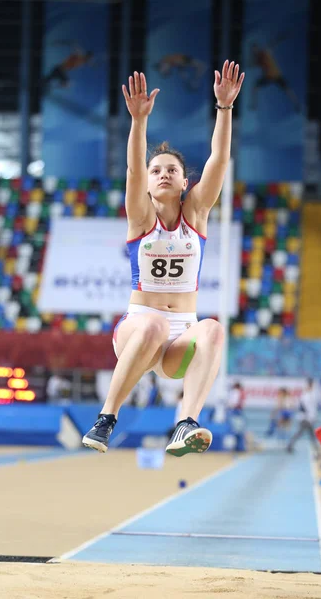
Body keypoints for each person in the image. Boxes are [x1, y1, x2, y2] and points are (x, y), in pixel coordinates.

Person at [82, 61, 245, 456]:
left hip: (179, 339)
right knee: (153, 322)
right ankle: (106, 419)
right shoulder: (141, 217)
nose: (163, 174)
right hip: (138, 329)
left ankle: (185, 423)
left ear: (186, 181)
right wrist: (138, 122)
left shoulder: (197, 214)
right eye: (157, 170)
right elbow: (133, 169)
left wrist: (224, 109)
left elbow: (219, 162)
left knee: (214, 330)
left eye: (172, 169)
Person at [249, 42, 302, 113]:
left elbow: (272, 46)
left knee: (287, 89)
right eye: (253, 51)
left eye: (255, 50)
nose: (254, 52)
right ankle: (254, 104)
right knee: (255, 86)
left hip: (276, 75)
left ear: (257, 48)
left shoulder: (264, 53)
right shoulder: (258, 59)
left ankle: (296, 104)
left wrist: (280, 39)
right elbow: (251, 64)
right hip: (268, 77)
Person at [286, 378, 321, 457]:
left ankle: (290, 446)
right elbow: (307, 409)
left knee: (305, 434)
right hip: (306, 418)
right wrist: (311, 418)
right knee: (309, 434)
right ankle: (317, 451)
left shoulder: (307, 395)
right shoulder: (307, 396)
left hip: (305, 418)